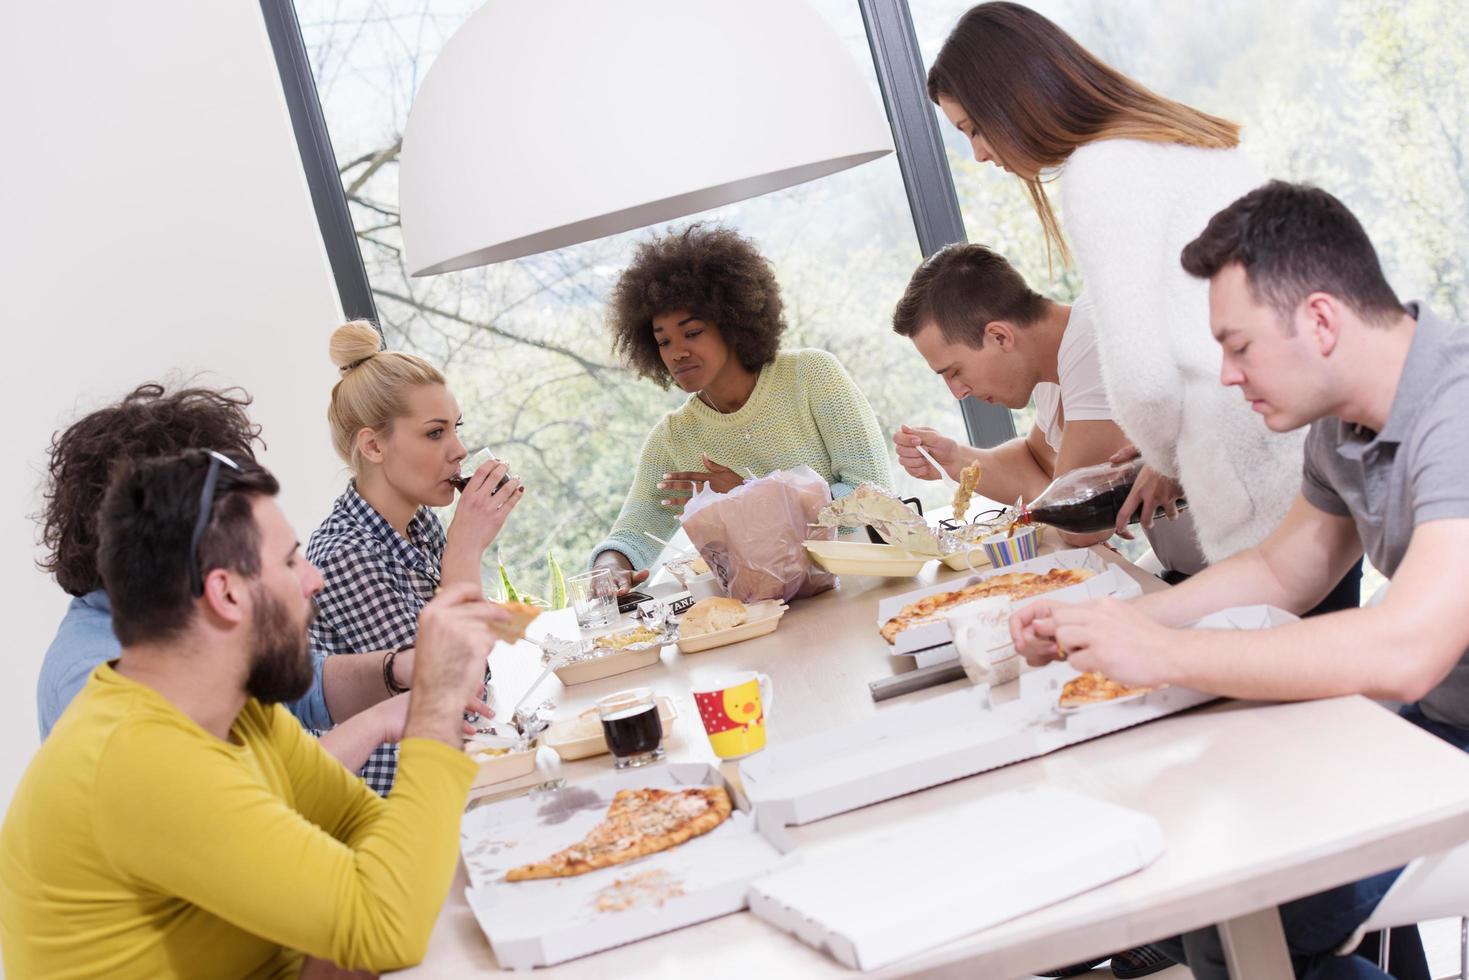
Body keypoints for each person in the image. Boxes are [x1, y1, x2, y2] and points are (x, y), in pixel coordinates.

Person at [1011, 181, 1463, 979]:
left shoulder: (1454, 415)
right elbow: (1281, 569)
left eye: (1238, 345)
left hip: (1439, 725)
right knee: (1217, 909)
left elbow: (1406, 649)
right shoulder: (1343, 420)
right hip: (1438, 725)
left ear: (1320, 320)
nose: (1224, 375)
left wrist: (1161, 655)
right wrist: (1111, 622)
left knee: (1246, 922)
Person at [0, 451, 507, 977]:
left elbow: (363, 824)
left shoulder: (243, 713)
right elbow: (387, 926)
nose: (314, 580)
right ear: (226, 593)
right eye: (290, 561)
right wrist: (435, 708)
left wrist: (353, 917)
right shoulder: (139, 757)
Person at [926, 2, 1313, 571]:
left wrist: (1159, 453)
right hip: (1305, 450)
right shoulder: (1175, 138)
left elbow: (1145, 381)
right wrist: (1165, 451)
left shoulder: (1102, 172)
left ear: (1014, 101)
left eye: (975, 129)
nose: (980, 153)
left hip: (1254, 480)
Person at [32, 382, 476, 773]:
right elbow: (237, 806)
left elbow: (304, 686)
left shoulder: (186, 610)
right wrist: (378, 724)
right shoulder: (97, 682)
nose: (311, 580)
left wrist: (398, 670)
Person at [591, 223, 893, 584]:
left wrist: (750, 497)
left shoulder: (811, 375)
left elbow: (871, 495)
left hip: (860, 586)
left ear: (732, 321)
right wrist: (608, 569)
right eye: (663, 342)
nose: (677, 353)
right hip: (759, 614)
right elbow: (632, 536)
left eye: (692, 333)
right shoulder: (674, 439)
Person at [309, 321, 523, 794]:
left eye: (456, 429)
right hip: (397, 800)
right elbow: (454, 697)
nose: (460, 450)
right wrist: (466, 546)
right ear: (373, 445)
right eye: (434, 434)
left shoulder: (418, 522)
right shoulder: (345, 555)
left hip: (456, 771)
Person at [889, 242, 1162, 552]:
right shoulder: (1053, 364)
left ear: (1000, 336)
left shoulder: (1092, 342)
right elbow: (1035, 461)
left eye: (955, 371)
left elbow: (1081, 526)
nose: (958, 392)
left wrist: (1055, 499)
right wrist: (956, 459)